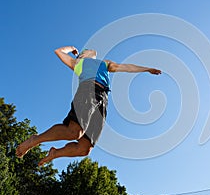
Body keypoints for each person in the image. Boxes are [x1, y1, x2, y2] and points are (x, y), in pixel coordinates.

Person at [16, 46, 161, 166]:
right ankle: (36, 139)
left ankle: (55, 153)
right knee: (74, 132)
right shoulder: (77, 64)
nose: (91, 51)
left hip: (103, 99)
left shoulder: (105, 63)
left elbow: (125, 67)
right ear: (81, 56)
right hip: (88, 90)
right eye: (86, 51)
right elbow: (58, 52)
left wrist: (146, 69)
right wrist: (72, 48)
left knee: (84, 149)